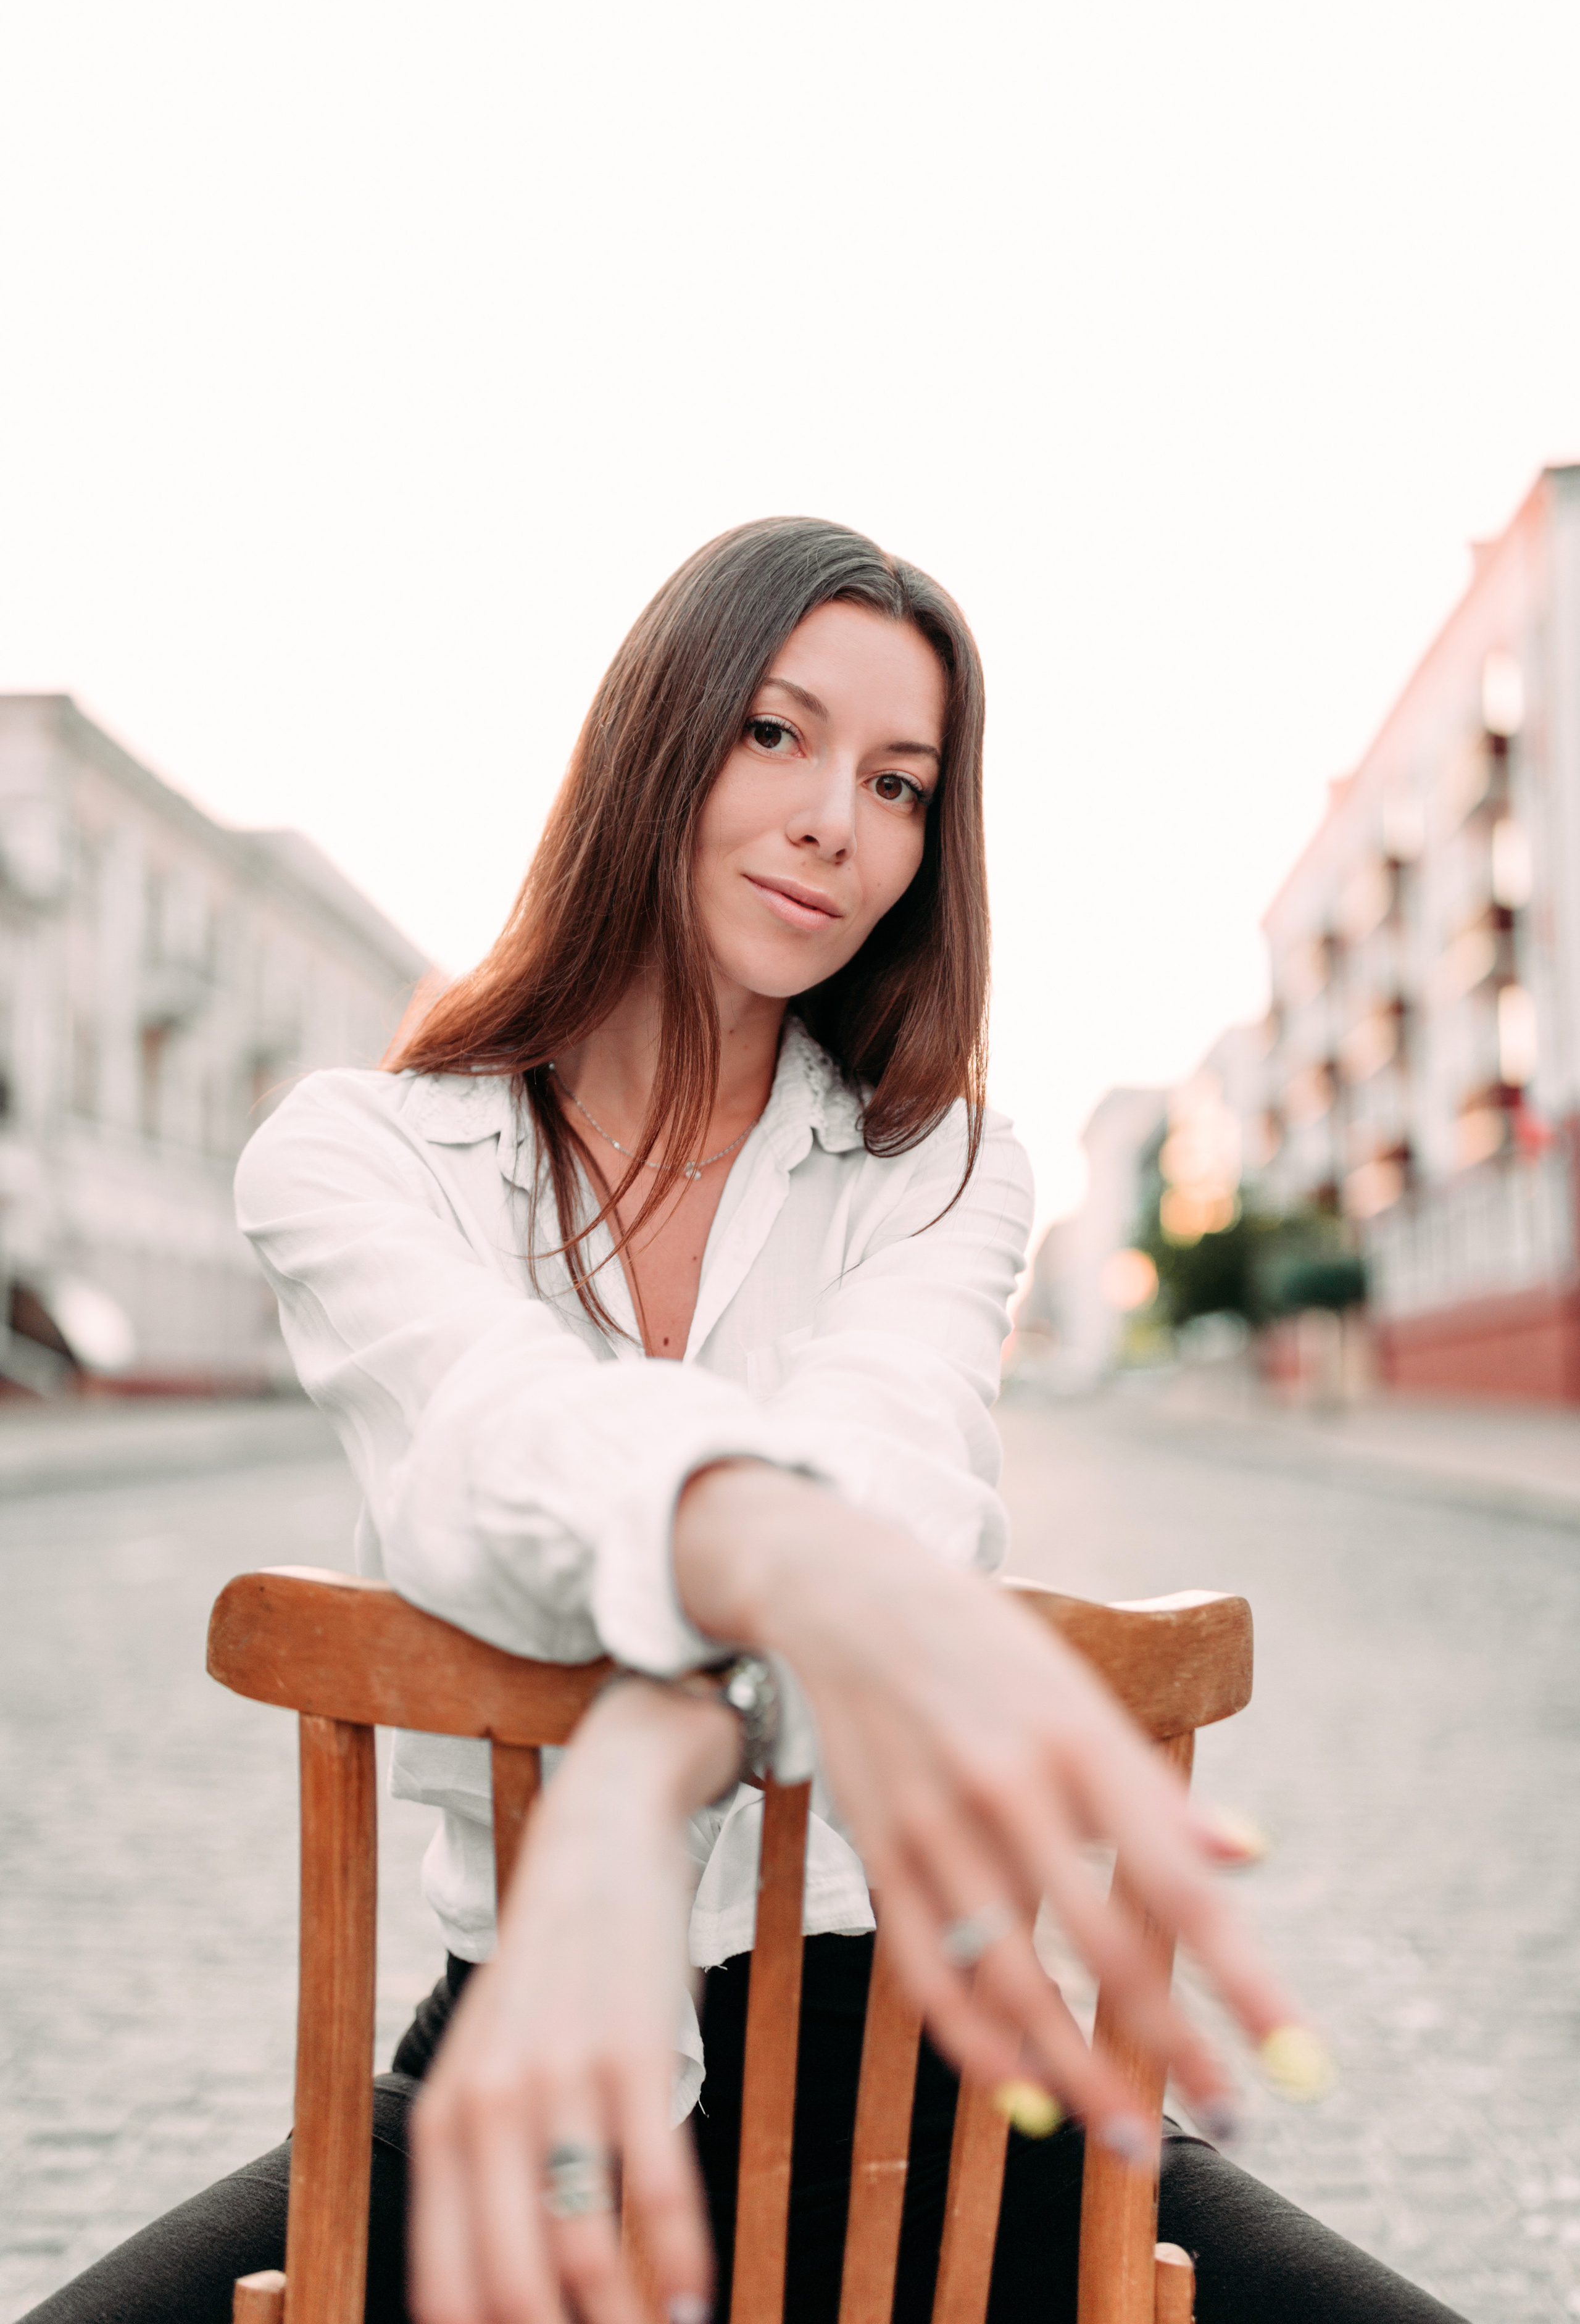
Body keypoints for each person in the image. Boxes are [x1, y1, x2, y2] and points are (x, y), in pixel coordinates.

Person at [23, 519, 1466, 2324]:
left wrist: (663, 1744)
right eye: (774, 736)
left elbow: (895, 1475)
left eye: (899, 782)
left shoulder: (937, 1168)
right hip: (528, 2048)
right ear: (657, 740)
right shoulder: (359, 1154)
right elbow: (494, 1444)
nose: (835, 823)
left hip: (924, 2079)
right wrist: (752, 1590)